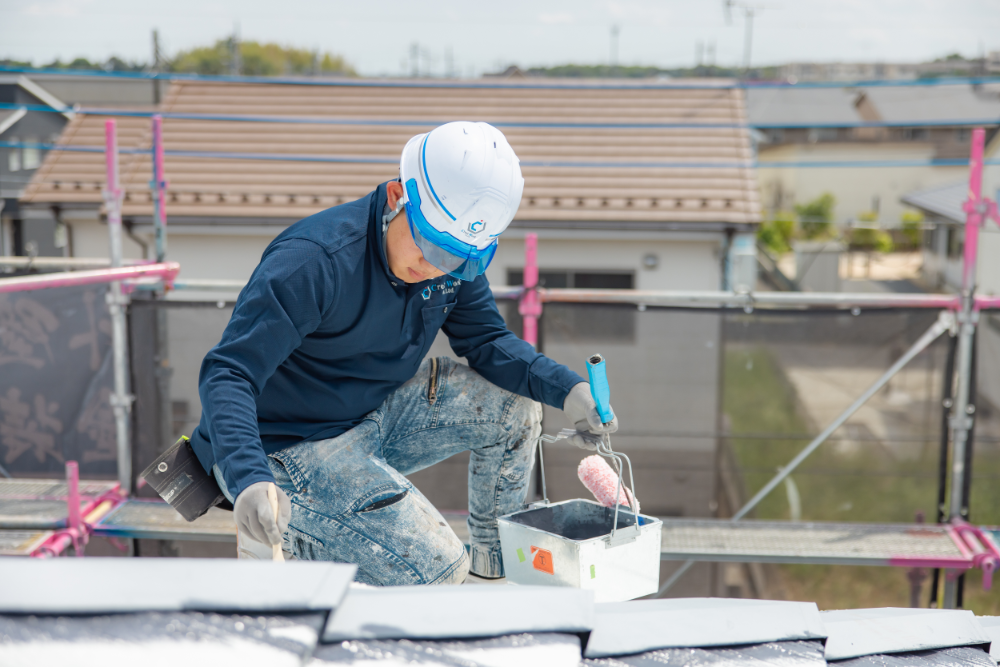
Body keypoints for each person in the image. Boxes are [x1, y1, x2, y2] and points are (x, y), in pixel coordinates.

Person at [190, 121, 619, 584]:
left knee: (514, 410)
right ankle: (295, 535)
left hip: (371, 413)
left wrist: (568, 390)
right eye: (430, 246)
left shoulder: (449, 264)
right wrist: (250, 477)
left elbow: (488, 341)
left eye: (455, 257)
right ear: (398, 196)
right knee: (436, 570)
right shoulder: (315, 263)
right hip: (286, 448)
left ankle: (492, 575)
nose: (435, 267)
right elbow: (229, 373)